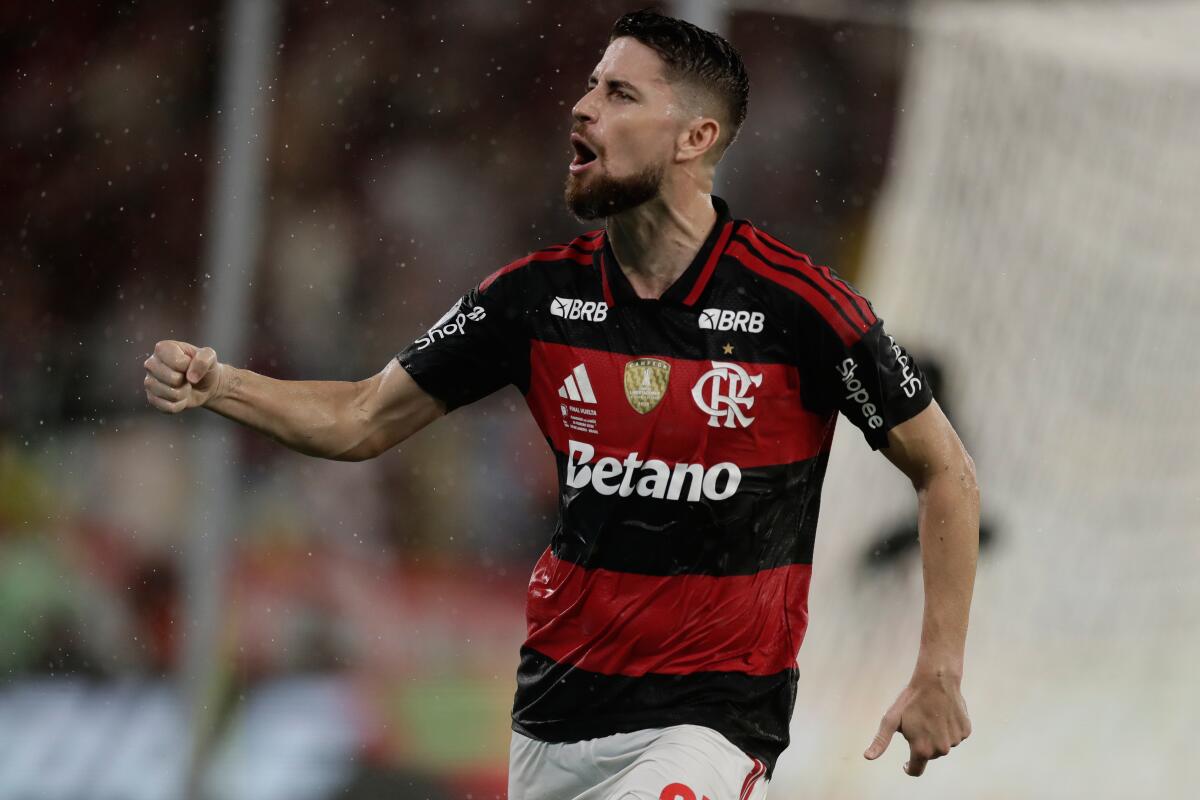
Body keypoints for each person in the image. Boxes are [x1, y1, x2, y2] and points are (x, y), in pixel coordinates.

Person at [143, 10, 977, 800]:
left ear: (696, 138)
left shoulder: (800, 306)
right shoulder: (531, 299)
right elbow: (361, 418)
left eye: (620, 94)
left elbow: (945, 470)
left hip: (711, 718)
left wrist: (937, 668)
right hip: (554, 721)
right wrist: (222, 384)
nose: (582, 107)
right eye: (589, 85)